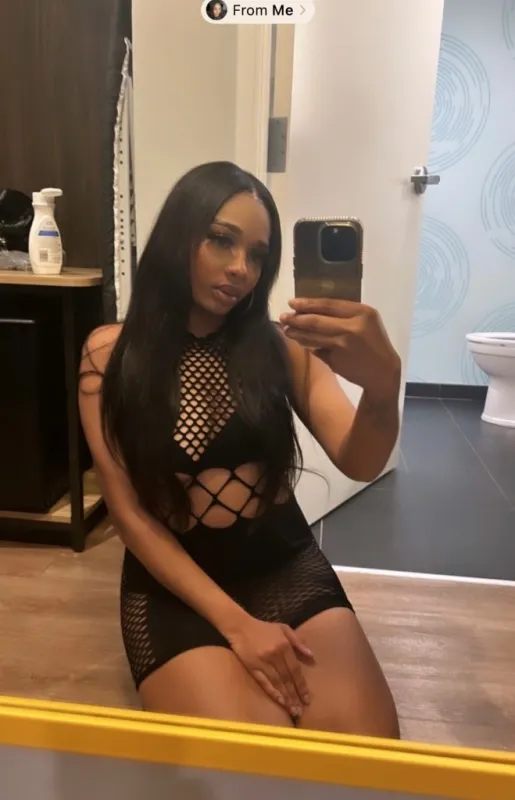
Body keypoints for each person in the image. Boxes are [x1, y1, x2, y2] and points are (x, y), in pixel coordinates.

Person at [79, 161, 401, 737]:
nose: (241, 269)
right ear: (180, 235)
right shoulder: (110, 355)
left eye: (258, 255)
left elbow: (361, 461)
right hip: (174, 585)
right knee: (251, 761)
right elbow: (129, 516)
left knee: (364, 755)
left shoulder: (280, 348)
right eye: (221, 240)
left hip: (282, 563)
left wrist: (382, 386)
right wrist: (238, 626)